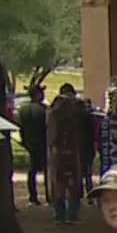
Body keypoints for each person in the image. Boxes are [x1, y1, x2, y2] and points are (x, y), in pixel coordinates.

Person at [47, 83, 91, 224]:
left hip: (59, 150)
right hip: (73, 150)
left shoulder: (53, 112)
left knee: (59, 182)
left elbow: (51, 134)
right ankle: (71, 214)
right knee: (73, 183)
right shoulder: (79, 110)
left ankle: (60, 215)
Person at [17, 85, 48, 207]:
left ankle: (33, 197)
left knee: (32, 171)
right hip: (42, 142)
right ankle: (49, 196)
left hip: (29, 142)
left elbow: (21, 128)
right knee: (47, 170)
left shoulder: (22, 110)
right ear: (38, 95)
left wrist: (24, 141)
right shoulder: (44, 109)